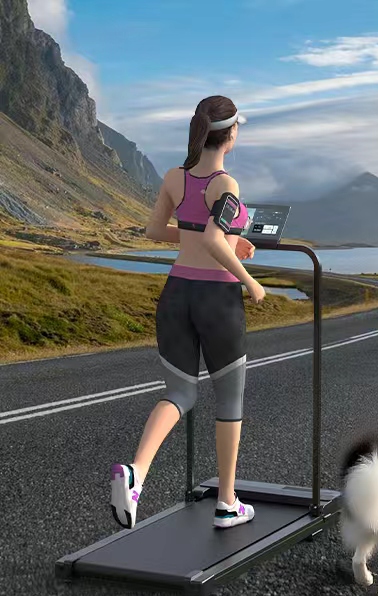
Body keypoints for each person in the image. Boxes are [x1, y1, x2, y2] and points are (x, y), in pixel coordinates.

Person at [109, 95, 266, 530]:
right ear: (230, 134)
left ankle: (137, 473)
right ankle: (227, 503)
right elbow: (217, 243)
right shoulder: (225, 184)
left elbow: (156, 229)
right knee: (229, 399)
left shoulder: (175, 177)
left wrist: (219, 239)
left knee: (179, 393)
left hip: (176, 294)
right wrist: (250, 281)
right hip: (217, 299)